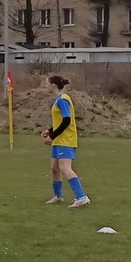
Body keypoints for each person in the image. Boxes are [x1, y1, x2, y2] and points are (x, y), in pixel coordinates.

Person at [44, 73, 90, 208]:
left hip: (66, 139)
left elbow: (66, 121)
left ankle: (82, 197)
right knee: (54, 168)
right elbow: (60, 121)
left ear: (53, 85)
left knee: (65, 167)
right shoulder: (59, 99)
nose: (45, 86)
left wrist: (52, 136)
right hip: (59, 139)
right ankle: (58, 196)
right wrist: (50, 131)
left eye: (47, 84)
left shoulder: (63, 100)